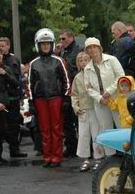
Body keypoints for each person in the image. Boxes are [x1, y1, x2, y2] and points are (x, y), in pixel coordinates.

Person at [28, 29, 70, 168]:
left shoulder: (59, 61)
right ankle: (47, 157)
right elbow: (29, 84)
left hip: (56, 98)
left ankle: (57, 157)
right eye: (43, 44)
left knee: (56, 129)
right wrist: (31, 102)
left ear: (51, 45)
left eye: (48, 43)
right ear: (38, 45)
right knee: (44, 129)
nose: (45, 46)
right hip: (40, 100)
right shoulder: (34, 63)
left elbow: (66, 81)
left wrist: (65, 99)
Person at [83, 37, 124, 159]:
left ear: (99, 48)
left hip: (116, 99)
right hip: (100, 103)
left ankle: (128, 154)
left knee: (122, 126)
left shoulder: (112, 60)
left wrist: (109, 91)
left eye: (94, 47)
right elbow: (88, 88)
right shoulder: (87, 68)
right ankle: (110, 158)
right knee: (106, 130)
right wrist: (100, 98)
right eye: (89, 48)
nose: (92, 50)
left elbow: (121, 76)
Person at [71, 52, 103, 171]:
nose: (83, 62)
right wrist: (76, 107)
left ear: (90, 61)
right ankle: (85, 159)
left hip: (95, 109)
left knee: (96, 134)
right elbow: (74, 95)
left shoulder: (95, 74)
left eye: (85, 60)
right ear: (78, 63)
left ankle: (98, 158)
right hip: (83, 110)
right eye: (81, 61)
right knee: (83, 135)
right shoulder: (77, 77)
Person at [59, 29, 81, 157]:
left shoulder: (78, 49)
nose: (61, 41)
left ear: (71, 37)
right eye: (60, 39)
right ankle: (71, 147)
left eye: (63, 38)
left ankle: (85, 146)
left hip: (76, 87)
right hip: (66, 89)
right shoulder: (62, 52)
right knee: (67, 120)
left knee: (79, 119)